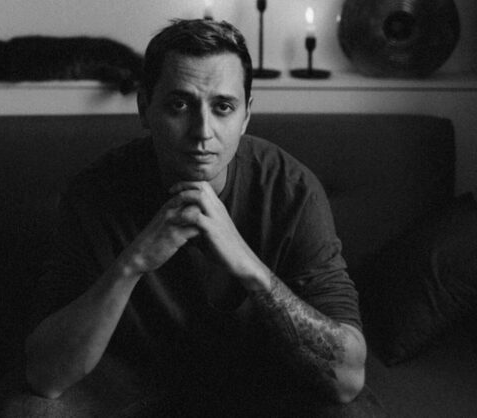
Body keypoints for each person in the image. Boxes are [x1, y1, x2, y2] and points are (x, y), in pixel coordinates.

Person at [24, 18, 367, 416]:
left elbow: (347, 380)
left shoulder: (292, 190)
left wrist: (249, 266)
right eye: (179, 105)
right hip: (131, 381)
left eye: (223, 107)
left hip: (262, 383)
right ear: (144, 108)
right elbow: (45, 376)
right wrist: (132, 265)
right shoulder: (95, 192)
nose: (202, 131)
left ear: (246, 116)